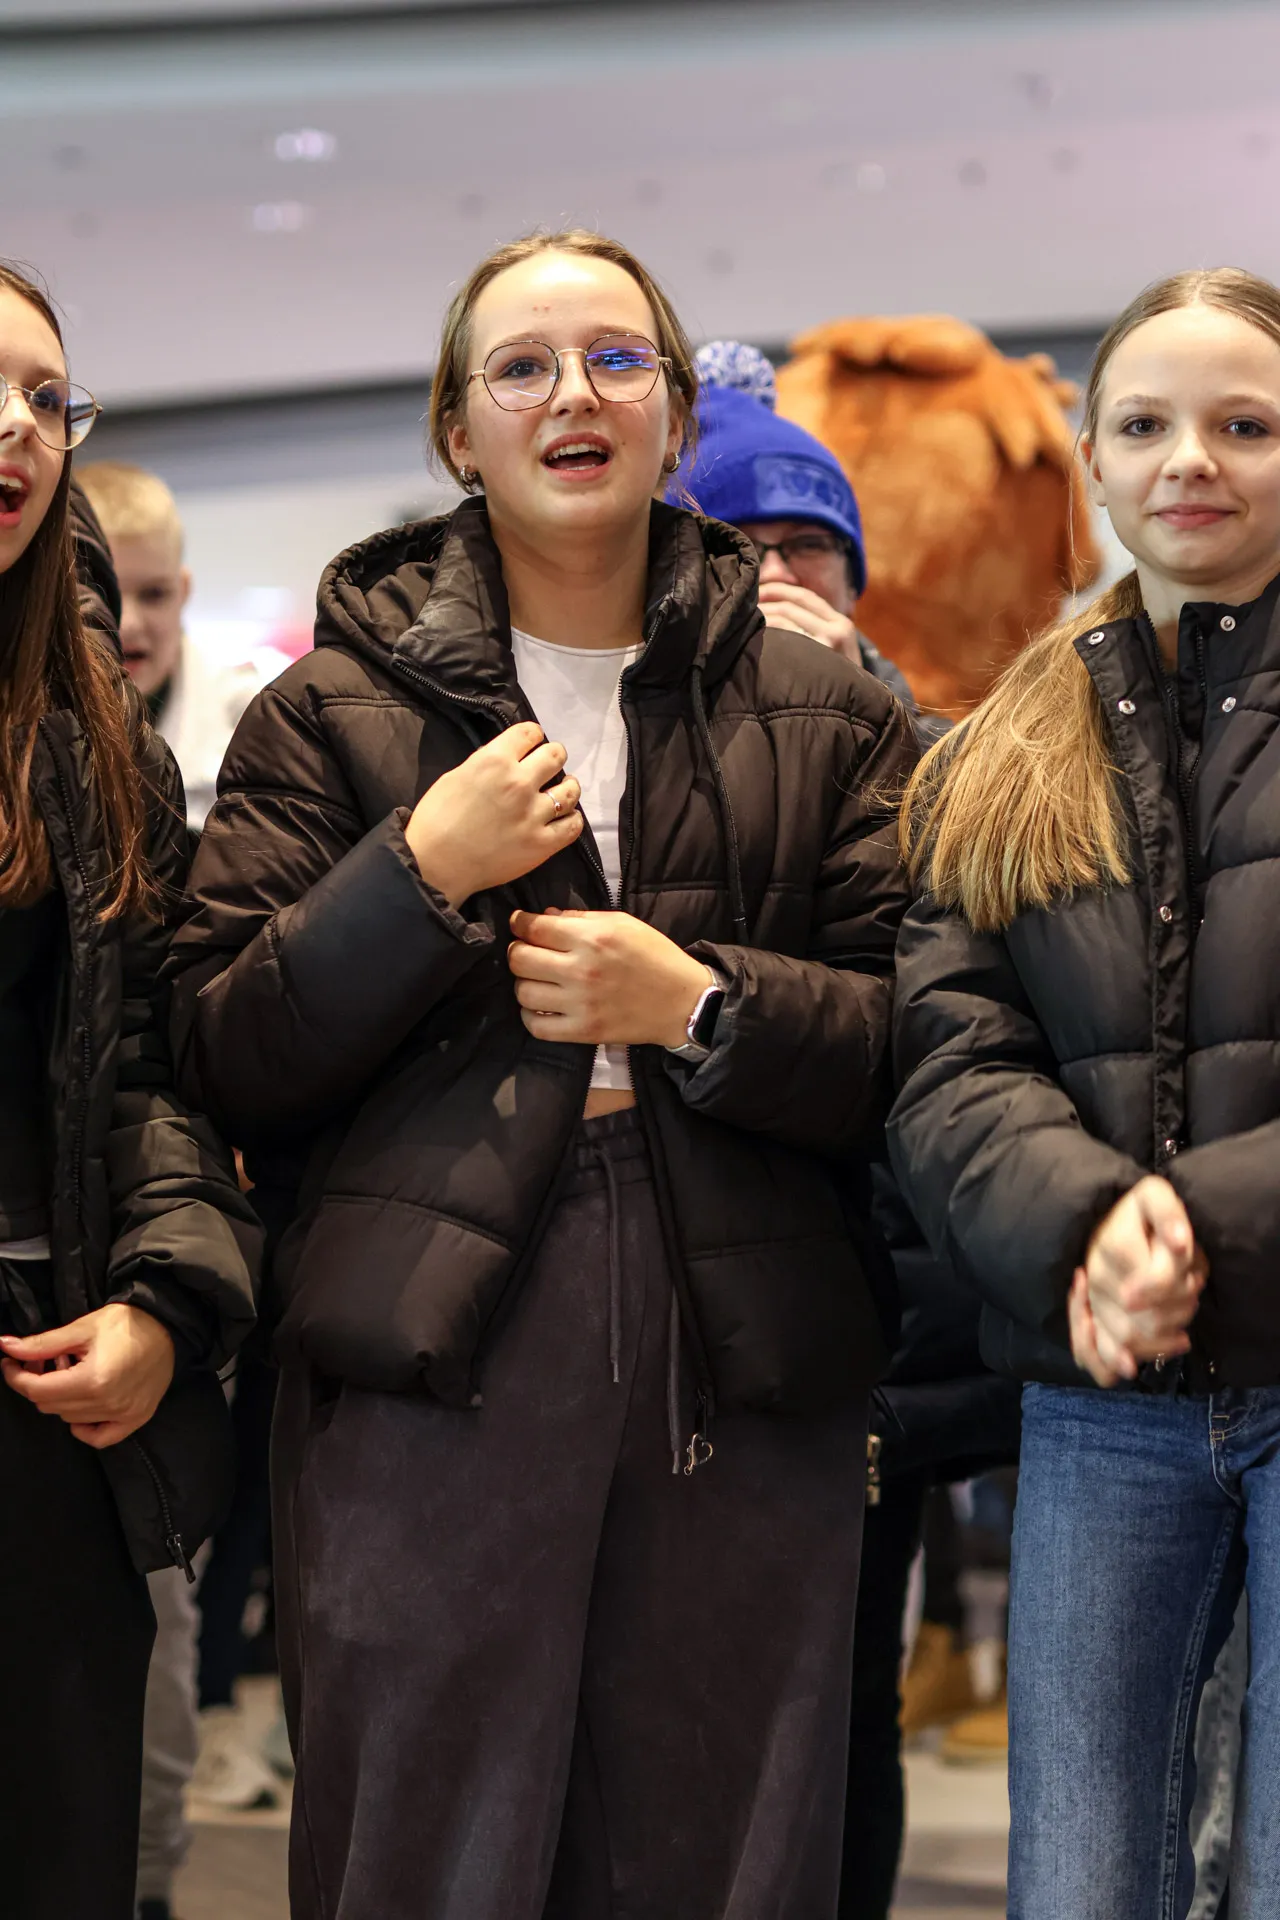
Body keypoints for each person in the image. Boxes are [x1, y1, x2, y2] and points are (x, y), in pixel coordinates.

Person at [168, 227, 917, 1919]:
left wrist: (701, 1006)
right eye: (521, 366)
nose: (574, 393)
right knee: (426, 1838)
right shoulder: (324, 716)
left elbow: (919, 1042)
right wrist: (416, 874)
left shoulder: (828, 710)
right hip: (431, 1342)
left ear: (673, 413)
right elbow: (225, 1049)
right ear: (458, 429)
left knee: (726, 1843)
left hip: (744, 1332)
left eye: (617, 358)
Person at [890, 265, 1280, 1919]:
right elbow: (948, 1056)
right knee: (1078, 1884)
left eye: (1246, 424)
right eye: (1147, 424)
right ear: (1093, 459)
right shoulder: (997, 750)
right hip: (1096, 1390)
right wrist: (1089, 1227)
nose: (1192, 458)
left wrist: (1184, 1219)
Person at [674, 340, 1018, 1913]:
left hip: (875, 1334)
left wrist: (862, 713)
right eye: (738, 545)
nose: (778, 576)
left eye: (808, 545)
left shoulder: (938, 755)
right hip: (684, 1312)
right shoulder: (638, 752)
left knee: (841, 1708)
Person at [0, 259, 259, 1920]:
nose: (18, 429)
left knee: (64, 1857)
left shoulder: (97, 741)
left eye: (47, 399)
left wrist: (168, 1302)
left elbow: (161, 1064)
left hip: (49, 1372)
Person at [76, 461, 268, 829]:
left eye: (153, 594)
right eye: (102, 593)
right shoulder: (19, 724)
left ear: (182, 592)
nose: (128, 623)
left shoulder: (254, 719)